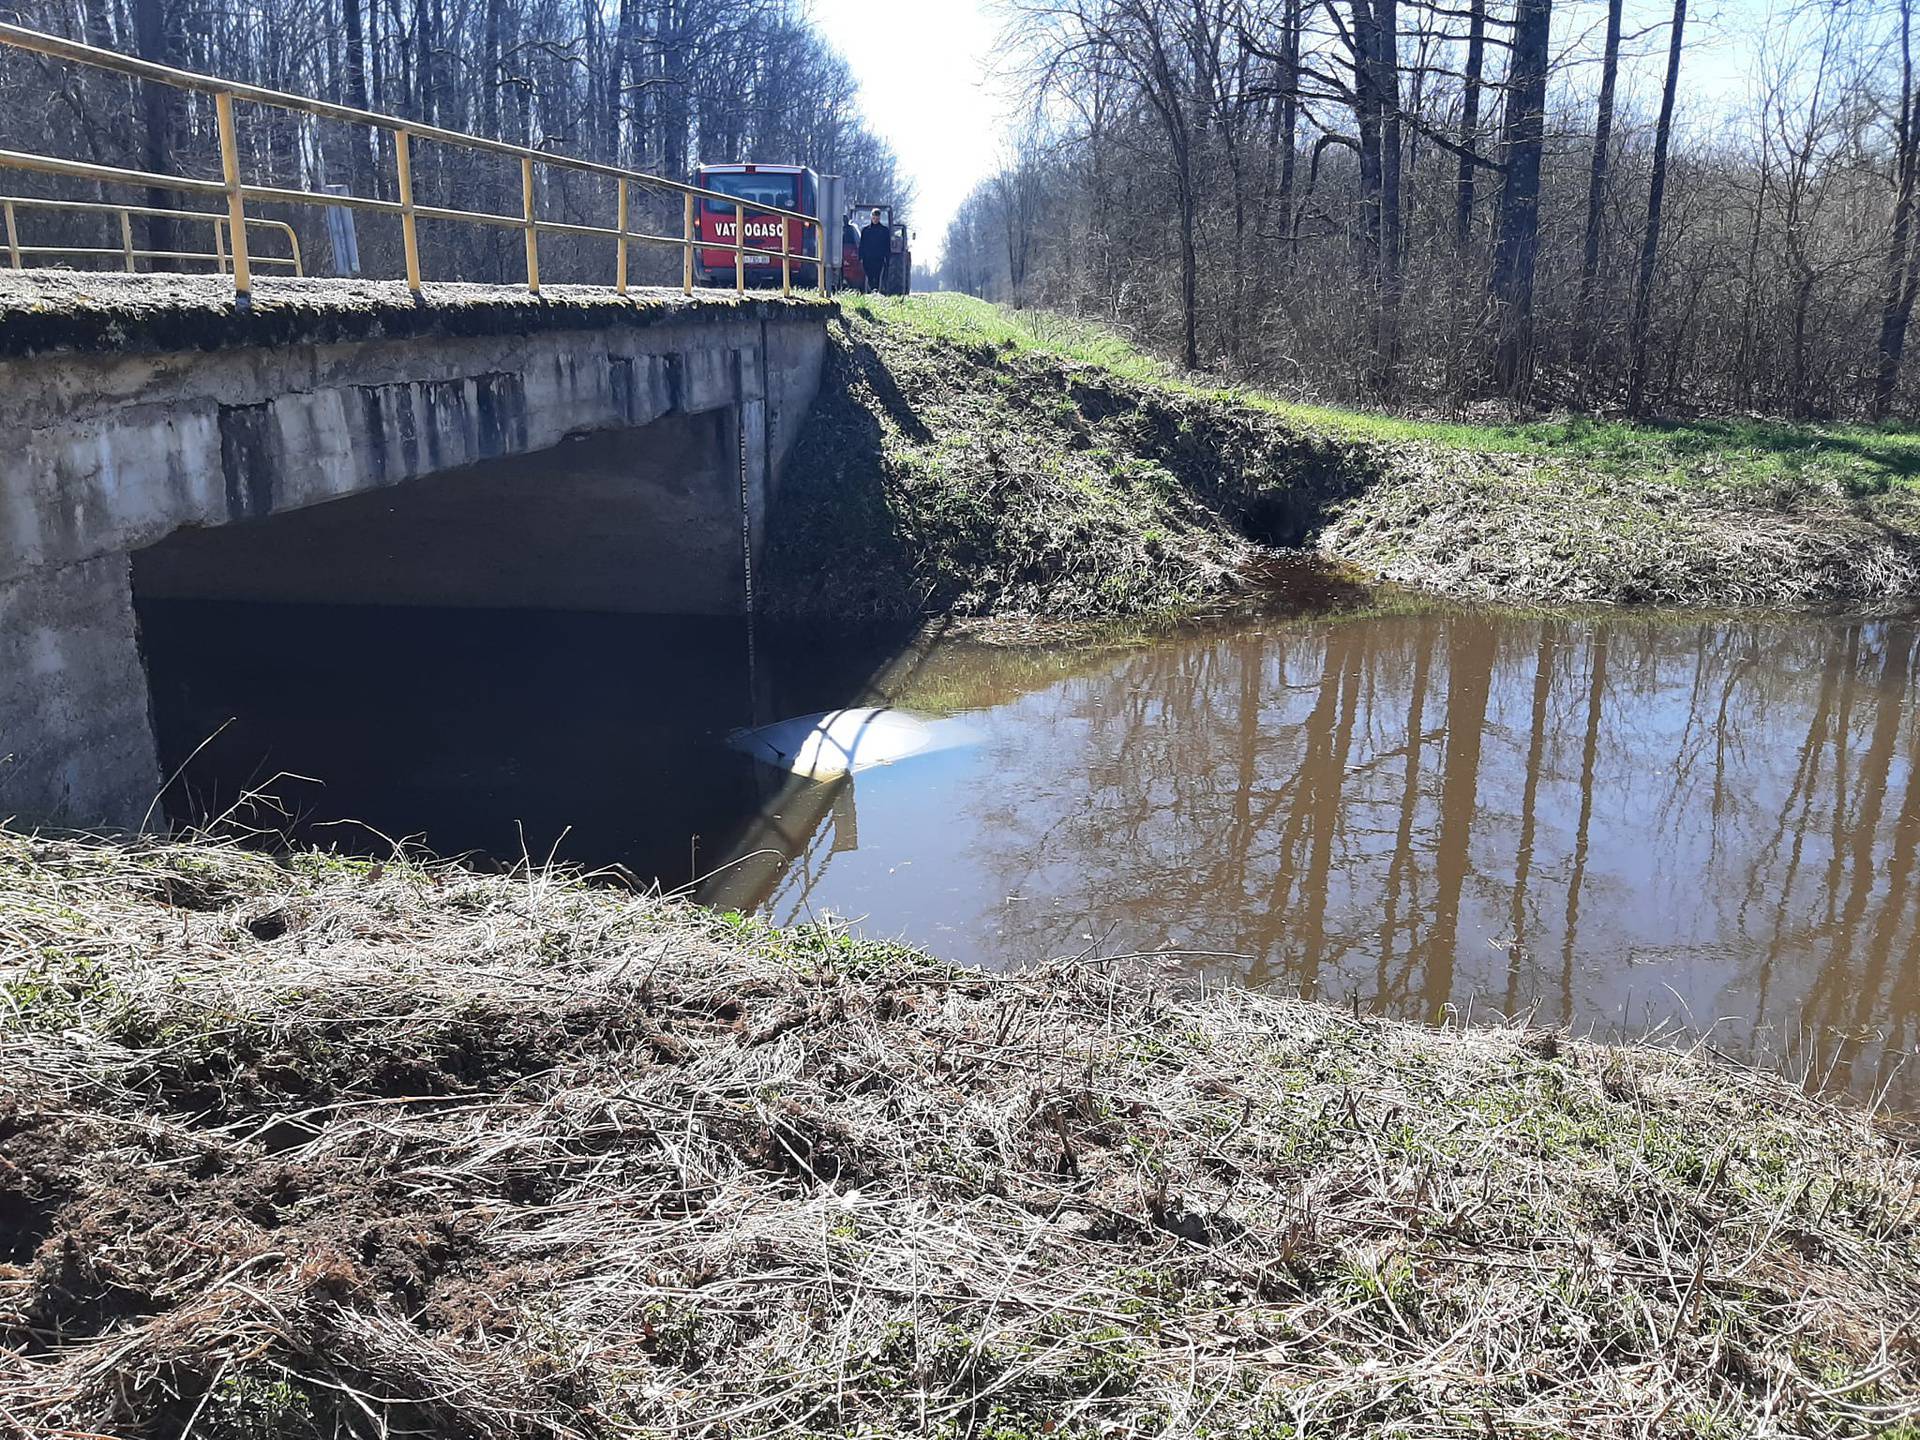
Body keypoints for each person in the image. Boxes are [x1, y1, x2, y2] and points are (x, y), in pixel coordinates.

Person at [858, 208, 891, 294]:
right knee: (869, 276)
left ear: (879, 218)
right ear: (871, 217)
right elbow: (862, 245)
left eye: (877, 218)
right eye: (874, 217)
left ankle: (874, 291)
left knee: (877, 276)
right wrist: (860, 257)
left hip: (878, 258)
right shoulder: (865, 230)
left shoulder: (884, 231)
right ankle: (872, 290)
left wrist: (887, 258)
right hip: (867, 258)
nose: (875, 219)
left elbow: (887, 246)